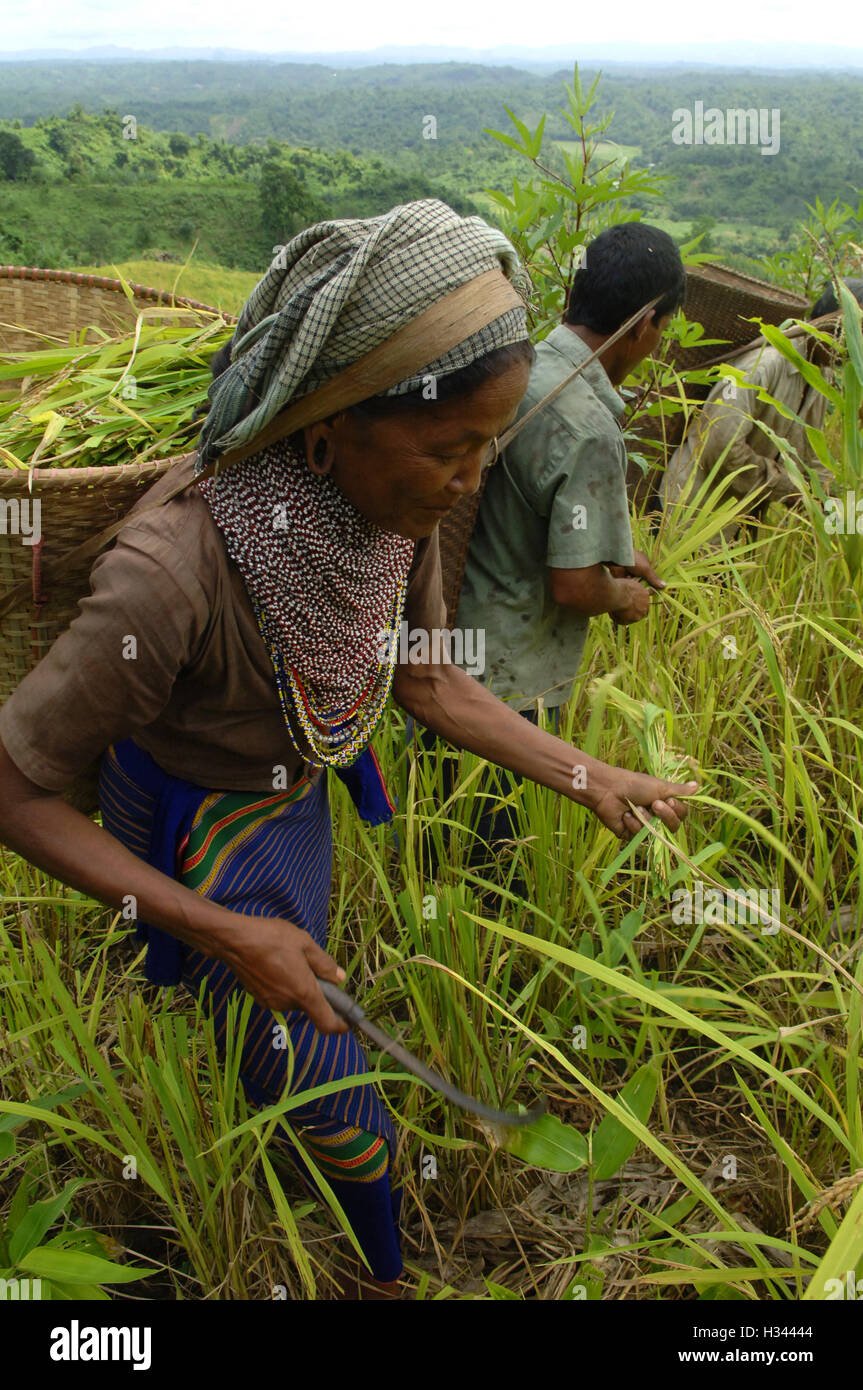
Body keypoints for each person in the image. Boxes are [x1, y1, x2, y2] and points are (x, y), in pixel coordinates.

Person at [0, 200, 697, 1299]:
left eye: (488, 447)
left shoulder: (387, 517)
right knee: (320, 1087)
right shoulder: (167, 574)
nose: (470, 481)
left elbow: (422, 678)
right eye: (449, 449)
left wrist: (587, 774)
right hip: (182, 812)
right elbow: (18, 791)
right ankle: (374, 1272)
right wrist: (226, 927)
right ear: (327, 427)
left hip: (288, 807)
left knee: (254, 1014)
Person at [431, 223, 685, 864]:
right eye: (662, 330)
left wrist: (617, 548)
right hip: (513, 692)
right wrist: (622, 596)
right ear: (647, 324)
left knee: (434, 852)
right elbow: (573, 586)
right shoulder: (590, 425)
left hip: (444, 666)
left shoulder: (518, 369)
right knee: (495, 867)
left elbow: (517, 504)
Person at [659, 277, 863, 530]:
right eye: (857, 335)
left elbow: (811, 455)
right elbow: (720, 445)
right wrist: (786, 486)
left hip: (730, 522)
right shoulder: (763, 366)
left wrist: (841, 517)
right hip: (688, 514)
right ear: (835, 324)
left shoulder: (822, 375)